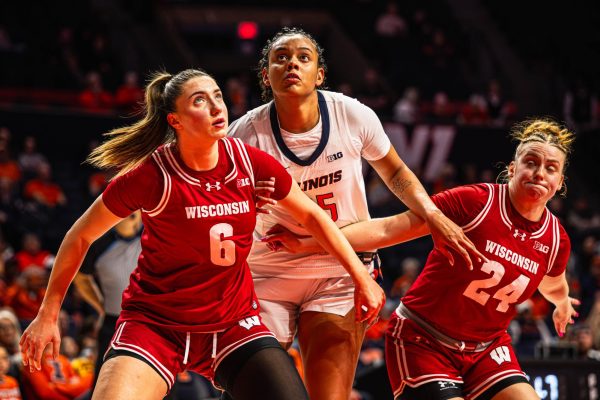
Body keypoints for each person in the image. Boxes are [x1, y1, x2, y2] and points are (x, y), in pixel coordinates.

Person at [18, 68, 384, 400]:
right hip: (156, 324)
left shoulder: (249, 162)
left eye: (217, 96)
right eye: (199, 100)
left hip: (232, 324)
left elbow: (315, 217)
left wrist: (361, 277)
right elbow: (80, 235)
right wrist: (48, 314)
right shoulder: (152, 175)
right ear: (175, 120)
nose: (215, 106)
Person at [228, 26, 483, 400]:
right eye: (281, 58)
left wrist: (432, 213)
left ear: (320, 74)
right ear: (266, 76)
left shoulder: (352, 115)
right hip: (267, 268)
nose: (292, 63)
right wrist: (246, 204)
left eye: (303, 57)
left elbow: (396, 173)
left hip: (340, 267)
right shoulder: (243, 135)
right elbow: (221, 210)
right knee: (258, 390)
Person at [264, 118, 580, 400]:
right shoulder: (475, 202)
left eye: (551, 168)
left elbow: (553, 284)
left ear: (561, 182)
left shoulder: (556, 240)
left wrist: (562, 303)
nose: (540, 173)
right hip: (424, 340)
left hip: (487, 348)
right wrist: (308, 242)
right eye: (531, 162)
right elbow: (387, 228)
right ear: (512, 168)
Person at [72, 210, 142, 388]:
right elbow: (80, 277)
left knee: (162, 384)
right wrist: (100, 305)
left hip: (152, 320)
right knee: (104, 383)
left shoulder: (156, 233)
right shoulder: (98, 242)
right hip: (114, 320)